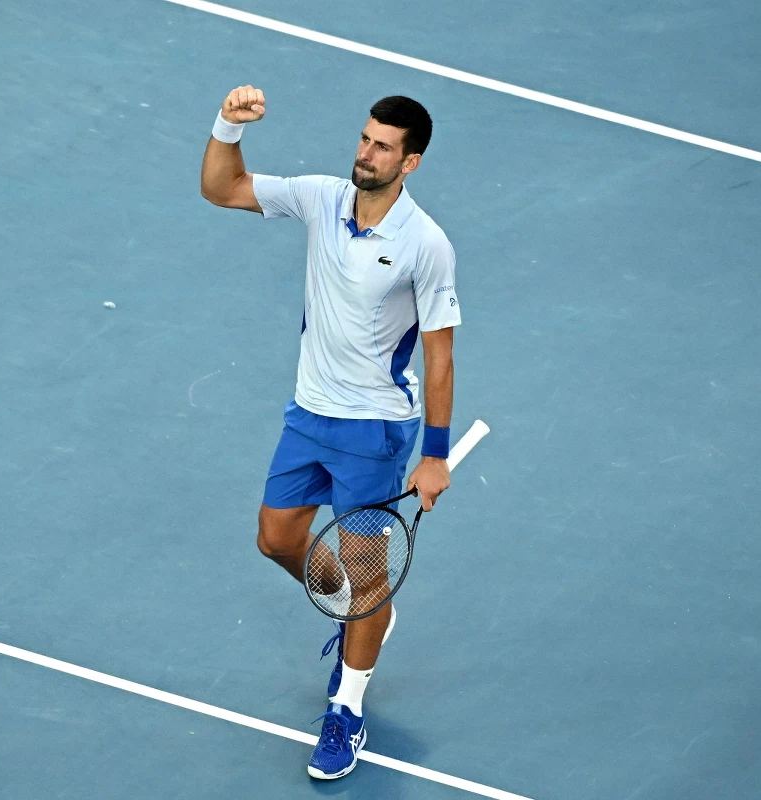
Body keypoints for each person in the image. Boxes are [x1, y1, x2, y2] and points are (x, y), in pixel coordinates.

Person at [200, 85, 461, 780]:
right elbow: (222, 188)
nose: (365, 152)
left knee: (368, 576)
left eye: (383, 146)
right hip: (308, 413)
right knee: (277, 537)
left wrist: (433, 455)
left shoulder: (425, 244)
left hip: (374, 431)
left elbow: (440, 354)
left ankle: (347, 709)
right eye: (365, 138)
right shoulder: (321, 196)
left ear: (410, 164)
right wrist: (229, 124)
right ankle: (357, 610)